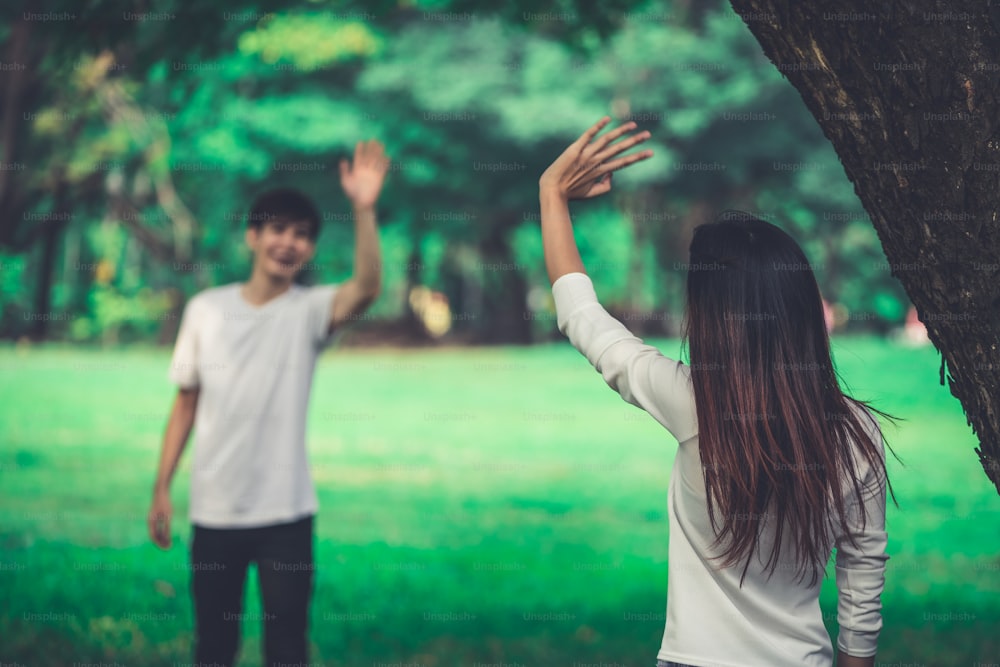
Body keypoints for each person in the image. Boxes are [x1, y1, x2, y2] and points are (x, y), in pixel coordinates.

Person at [538, 117, 892, 667]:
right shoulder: (855, 431)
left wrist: (551, 195)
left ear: (712, 319)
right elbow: (862, 567)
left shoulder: (692, 402)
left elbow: (581, 316)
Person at [147, 140, 389, 667]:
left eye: (302, 235)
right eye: (278, 229)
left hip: (286, 513)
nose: (289, 242)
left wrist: (364, 208)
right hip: (215, 511)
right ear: (252, 236)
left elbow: (367, 287)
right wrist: (162, 487)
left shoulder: (310, 311)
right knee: (214, 646)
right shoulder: (206, 311)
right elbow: (184, 404)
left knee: (286, 648)